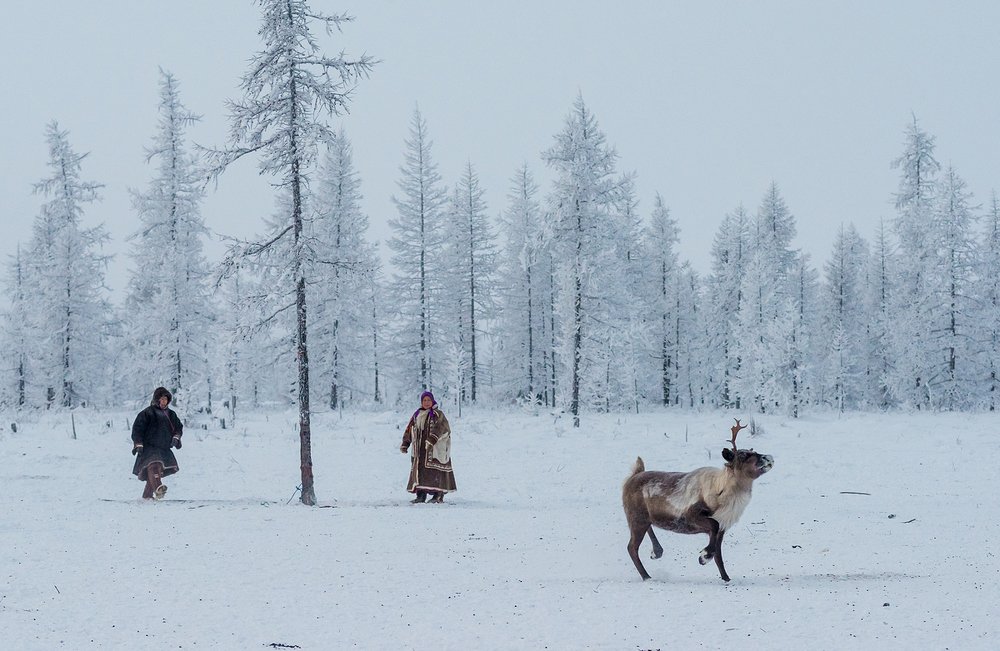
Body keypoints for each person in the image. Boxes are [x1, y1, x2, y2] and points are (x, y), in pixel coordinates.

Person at [400, 390, 456, 503]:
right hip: (420, 451)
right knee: (420, 472)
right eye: (424, 400)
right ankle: (421, 495)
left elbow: (442, 427)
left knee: (435, 472)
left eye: (428, 400)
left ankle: (438, 495)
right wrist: (406, 443)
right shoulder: (417, 415)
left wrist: (432, 439)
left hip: (435, 449)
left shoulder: (437, 414)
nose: (426, 403)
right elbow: (410, 429)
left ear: (432, 401)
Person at [131, 386, 183, 500]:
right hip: (149, 447)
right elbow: (137, 429)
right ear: (157, 399)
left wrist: (176, 437)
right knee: (154, 465)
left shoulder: (171, 414)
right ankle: (158, 487)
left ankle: (147, 496)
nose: (164, 401)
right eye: (162, 399)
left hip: (163, 447)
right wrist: (138, 443)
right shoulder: (147, 413)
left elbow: (178, 428)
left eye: (166, 399)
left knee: (158, 468)